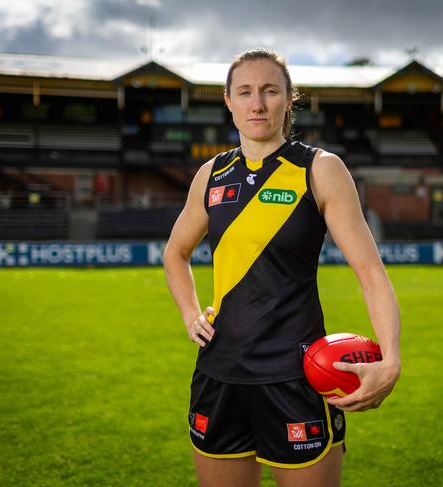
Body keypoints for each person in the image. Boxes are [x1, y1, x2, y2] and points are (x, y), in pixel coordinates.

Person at [163, 48, 401, 487]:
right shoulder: (211, 175)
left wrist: (391, 358)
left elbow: (369, 271)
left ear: (289, 99)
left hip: (296, 376)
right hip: (219, 373)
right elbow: (174, 253)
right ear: (228, 100)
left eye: (270, 91)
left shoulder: (320, 170)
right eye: (246, 92)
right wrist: (189, 312)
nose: (257, 103)